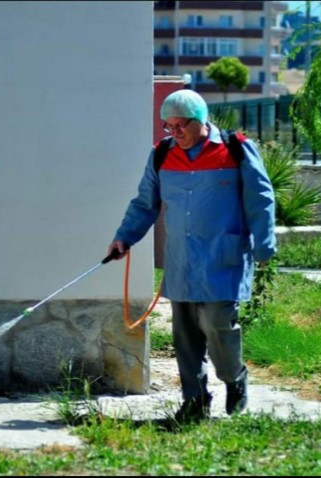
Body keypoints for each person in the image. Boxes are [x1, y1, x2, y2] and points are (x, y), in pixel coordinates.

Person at [107, 89, 276, 424]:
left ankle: (234, 377)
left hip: (222, 256)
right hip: (181, 260)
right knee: (185, 337)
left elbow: (260, 197)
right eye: (169, 126)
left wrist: (264, 243)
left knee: (217, 323)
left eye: (181, 125)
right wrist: (124, 237)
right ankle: (195, 401)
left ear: (200, 121)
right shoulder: (162, 154)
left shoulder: (235, 149)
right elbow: (145, 203)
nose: (175, 132)